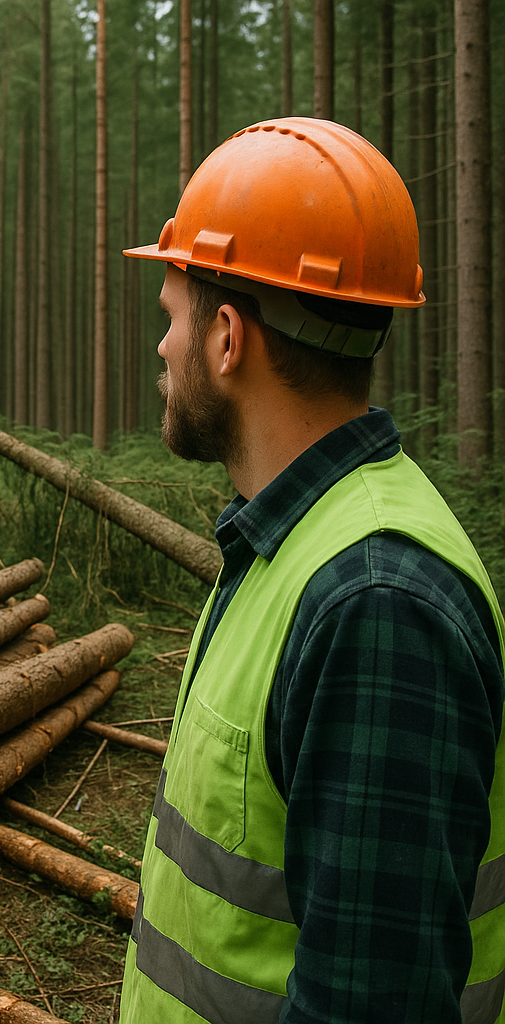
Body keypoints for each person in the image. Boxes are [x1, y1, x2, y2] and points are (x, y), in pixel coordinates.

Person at [118, 117, 505, 1024]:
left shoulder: (376, 606)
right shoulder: (292, 544)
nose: (162, 349)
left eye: (170, 318)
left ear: (227, 338)